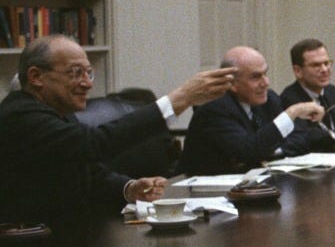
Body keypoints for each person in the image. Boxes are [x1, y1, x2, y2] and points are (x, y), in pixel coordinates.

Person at [0, 34, 235, 225]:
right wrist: (181, 98)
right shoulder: (20, 115)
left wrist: (129, 188)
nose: (87, 83)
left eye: (88, 72)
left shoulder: (55, 112)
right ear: (36, 76)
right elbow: (93, 144)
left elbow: (87, 169)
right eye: (75, 73)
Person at [179, 46, 324, 176]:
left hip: (252, 187)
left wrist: (271, 152)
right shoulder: (214, 107)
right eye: (256, 77)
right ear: (232, 83)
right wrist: (292, 112)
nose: (266, 83)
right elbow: (248, 150)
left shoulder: (268, 99)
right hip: (205, 195)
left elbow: (301, 138)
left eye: (265, 74)